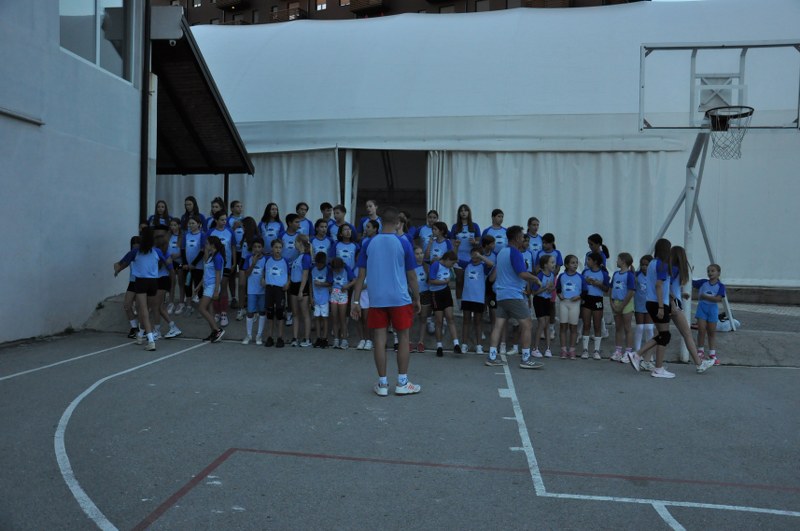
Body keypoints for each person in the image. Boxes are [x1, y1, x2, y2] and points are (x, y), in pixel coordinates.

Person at [352, 206, 421, 396]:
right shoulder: (404, 243)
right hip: (400, 299)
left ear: (381, 222)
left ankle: (382, 384)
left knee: (379, 340)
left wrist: (356, 302)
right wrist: (417, 298)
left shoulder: (368, 243)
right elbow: (412, 276)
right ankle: (402, 382)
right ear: (398, 223)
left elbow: (360, 276)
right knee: (403, 338)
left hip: (377, 299)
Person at [484, 225, 542, 369]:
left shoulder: (502, 252)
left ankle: (492, 356)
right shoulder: (515, 252)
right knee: (527, 324)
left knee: (498, 325)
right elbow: (522, 273)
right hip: (513, 294)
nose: (523, 239)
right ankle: (526, 359)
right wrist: (535, 279)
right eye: (522, 236)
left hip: (501, 294)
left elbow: (496, 274)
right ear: (516, 238)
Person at [665, 246, 715, 373]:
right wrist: (673, 302)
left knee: (661, 335)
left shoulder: (671, 268)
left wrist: (681, 295)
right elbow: (668, 287)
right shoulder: (676, 269)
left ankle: (643, 357)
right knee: (686, 333)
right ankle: (699, 363)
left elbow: (670, 287)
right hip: (674, 304)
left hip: (670, 302)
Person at [121, 227, 171, 350]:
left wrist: (117, 269)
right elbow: (168, 264)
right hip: (154, 282)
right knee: (146, 310)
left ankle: (150, 340)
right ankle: (140, 334)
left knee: (143, 310)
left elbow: (122, 263)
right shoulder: (157, 251)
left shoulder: (136, 251)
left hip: (141, 281)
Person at [428, 250, 461, 357]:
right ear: (447, 259)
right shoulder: (436, 265)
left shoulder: (448, 266)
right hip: (436, 294)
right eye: (451, 263)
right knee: (439, 321)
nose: (452, 265)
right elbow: (431, 280)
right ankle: (439, 346)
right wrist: (444, 282)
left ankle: (456, 344)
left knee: (450, 317)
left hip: (446, 292)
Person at [206, 210, 236, 327]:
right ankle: (217, 312)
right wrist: (206, 262)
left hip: (226, 264)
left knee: (223, 286)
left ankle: (223, 313)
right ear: (216, 220)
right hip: (213, 265)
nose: (224, 222)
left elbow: (233, 247)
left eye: (225, 220)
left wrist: (234, 262)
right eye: (222, 220)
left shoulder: (230, 231)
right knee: (215, 288)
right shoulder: (210, 232)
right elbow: (206, 248)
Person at [461, 247, 493, 355]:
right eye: (473, 254)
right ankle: (464, 344)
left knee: (478, 322)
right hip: (466, 298)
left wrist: (480, 256)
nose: (474, 256)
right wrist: (456, 247)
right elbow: (455, 258)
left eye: (477, 254)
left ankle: (479, 346)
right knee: (466, 321)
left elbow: (491, 264)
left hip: (478, 298)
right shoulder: (467, 265)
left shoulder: (483, 266)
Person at [694, 263, 726, 365]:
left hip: (712, 309)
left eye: (712, 271)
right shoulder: (703, 282)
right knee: (701, 330)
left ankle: (712, 353)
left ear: (718, 273)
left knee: (711, 332)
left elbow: (718, 299)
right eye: (708, 271)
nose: (710, 273)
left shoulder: (721, 286)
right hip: (702, 308)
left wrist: (705, 296)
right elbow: (690, 282)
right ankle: (700, 351)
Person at [580, 252, 610, 359]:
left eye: (589, 260)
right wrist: (585, 281)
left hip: (597, 299)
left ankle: (596, 350)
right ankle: (585, 350)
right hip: (587, 299)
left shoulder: (603, 274)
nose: (587, 262)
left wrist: (599, 284)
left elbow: (607, 289)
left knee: (597, 325)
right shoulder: (585, 272)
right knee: (586, 324)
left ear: (595, 262)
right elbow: (580, 285)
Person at [262, 239, 290, 348]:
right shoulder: (267, 259)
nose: (278, 250)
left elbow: (289, 274)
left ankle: (280, 337)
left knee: (280, 314)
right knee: (270, 314)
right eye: (276, 247)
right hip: (269, 288)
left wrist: (288, 283)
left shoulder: (285, 261)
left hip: (280, 290)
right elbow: (264, 272)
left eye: (280, 247)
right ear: (272, 248)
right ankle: (270, 337)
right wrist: (262, 279)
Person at [197, 235, 225, 343]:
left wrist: (216, 290)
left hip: (212, 286)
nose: (205, 245)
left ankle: (217, 330)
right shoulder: (210, 256)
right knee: (210, 310)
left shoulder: (217, 257)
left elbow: (218, 274)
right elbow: (206, 274)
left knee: (201, 308)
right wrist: (199, 286)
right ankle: (213, 332)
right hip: (207, 285)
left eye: (207, 243)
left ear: (212, 245)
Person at [450, 204, 481, 300]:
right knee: (459, 281)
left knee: (470, 282)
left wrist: (474, 243)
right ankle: (459, 305)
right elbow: (452, 244)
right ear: (459, 213)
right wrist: (455, 245)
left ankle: (469, 303)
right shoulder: (455, 226)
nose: (463, 212)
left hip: (472, 259)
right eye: (461, 211)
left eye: (465, 210)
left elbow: (479, 244)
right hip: (458, 258)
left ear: (469, 212)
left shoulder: (475, 226)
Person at [113, 235, 141, 338]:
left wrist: (118, 268)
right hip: (132, 282)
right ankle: (134, 327)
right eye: (134, 246)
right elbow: (123, 263)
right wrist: (117, 269)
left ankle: (143, 329)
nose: (135, 248)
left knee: (140, 306)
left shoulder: (143, 254)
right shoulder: (131, 254)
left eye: (137, 245)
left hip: (142, 282)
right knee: (127, 305)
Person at [610, 253, 636, 362]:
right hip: (616, 302)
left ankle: (628, 353)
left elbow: (631, 292)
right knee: (618, 327)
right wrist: (612, 303)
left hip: (626, 303)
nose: (616, 261)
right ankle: (618, 351)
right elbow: (611, 288)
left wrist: (622, 305)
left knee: (627, 328)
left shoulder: (629, 275)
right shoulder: (616, 274)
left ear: (623, 262)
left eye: (618, 259)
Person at [241, 237, 267, 345]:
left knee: (262, 312)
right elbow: (246, 274)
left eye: (259, 247)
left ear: (262, 248)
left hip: (262, 291)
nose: (257, 249)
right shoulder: (248, 258)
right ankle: (248, 335)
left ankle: (259, 335)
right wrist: (253, 263)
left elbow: (267, 272)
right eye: (255, 247)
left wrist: (264, 278)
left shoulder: (266, 259)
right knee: (250, 312)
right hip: (251, 290)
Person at [556, 255, 583, 359]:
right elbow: (558, 289)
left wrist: (579, 297)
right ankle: (563, 349)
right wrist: (559, 295)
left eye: (576, 263)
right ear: (566, 265)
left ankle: (572, 349)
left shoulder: (580, 277)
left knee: (573, 327)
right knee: (563, 326)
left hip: (575, 304)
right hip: (564, 303)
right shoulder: (562, 276)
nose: (575, 265)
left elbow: (585, 291)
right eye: (572, 263)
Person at [288, 234, 313, 347]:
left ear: (300, 243)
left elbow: (305, 275)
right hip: (293, 286)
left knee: (305, 313)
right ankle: (295, 338)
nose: (294, 244)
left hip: (301, 286)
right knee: (295, 313)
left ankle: (307, 339)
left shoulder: (306, 257)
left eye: (295, 242)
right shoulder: (298, 257)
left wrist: (301, 291)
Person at [180, 215, 206, 316]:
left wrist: (194, 264)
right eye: (189, 223)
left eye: (193, 223)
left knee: (198, 286)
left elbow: (202, 251)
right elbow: (183, 250)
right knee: (187, 285)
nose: (190, 225)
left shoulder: (202, 235)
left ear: (199, 224)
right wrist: (185, 263)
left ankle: (201, 308)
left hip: (198, 266)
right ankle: (189, 306)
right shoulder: (186, 235)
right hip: (187, 266)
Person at [532, 254, 556, 358]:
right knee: (542, 323)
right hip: (539, 300)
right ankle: (535, 348)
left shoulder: (552, 275)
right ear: (545, 265)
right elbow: (534, 292)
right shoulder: (540, 275)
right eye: (552, 262)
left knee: (547, 324)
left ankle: (548, 349)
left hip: (547, 300)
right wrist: (545, 288)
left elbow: (551, 289)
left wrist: (551, 288)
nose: (554, 264)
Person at [329, 256, 356, 349]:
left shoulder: (346, 269)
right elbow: (329, 281)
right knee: (334, 317)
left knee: (342, 318)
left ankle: (344, 340)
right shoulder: (331, 269)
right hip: (334, 293)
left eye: (338, 269)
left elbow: (354, 280)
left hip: (343, 293)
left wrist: (347, 286)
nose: (336, 271)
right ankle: (336, 339)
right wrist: (329, 287)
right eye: (335, 269)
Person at [235, 217, 258, 321]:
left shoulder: (256, 237)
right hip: (243, 262)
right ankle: (241, 308)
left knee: (252, 287)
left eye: (243, 226)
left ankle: (254, 310)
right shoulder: (244, 236)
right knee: (241, 285)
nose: (242, 228)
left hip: (252, 263)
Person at [633, 255, 655, 354]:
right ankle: (637, 352)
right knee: (640, 327)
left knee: (649, 328)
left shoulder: (654, 276)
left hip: (650, 305)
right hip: (639, 305)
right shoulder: (637, 275)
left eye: (646, 265)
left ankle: (649, 353)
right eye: (642, 265)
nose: (644, 267)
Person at [412, 245, 431, 353]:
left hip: (425, 294)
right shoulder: (410, 267)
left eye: (421, 253)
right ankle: (408, 342)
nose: (420, 256)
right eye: (417, 254)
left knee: (423, 318)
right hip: (413, 295)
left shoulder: (427, 267)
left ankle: (421, 342)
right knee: (411, 319)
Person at [310, 252, 331, 348]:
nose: (318, 266)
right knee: (317, 318)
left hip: (325, 298)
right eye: (317, 264)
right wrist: (311, 297)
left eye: (320, 264)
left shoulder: (328, 269)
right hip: (315, 298)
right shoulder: (313, 269)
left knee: (325, 318)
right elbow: (310, 284)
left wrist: (321, 284)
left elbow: (330, 283)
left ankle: (325, 338)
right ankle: (318, 338)